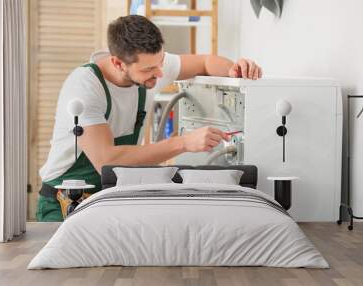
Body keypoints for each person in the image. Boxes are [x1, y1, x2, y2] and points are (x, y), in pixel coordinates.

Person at [36, 15, 263, 222]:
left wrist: (235, 70)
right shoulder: (85, 86)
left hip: (110, 195)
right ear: (118, 63)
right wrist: (183, 143)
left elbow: (206, 62)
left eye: (161, 62)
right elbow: (106, 160)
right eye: (149, 69)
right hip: (64, 201)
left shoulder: (149, 66)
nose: (161, 74)